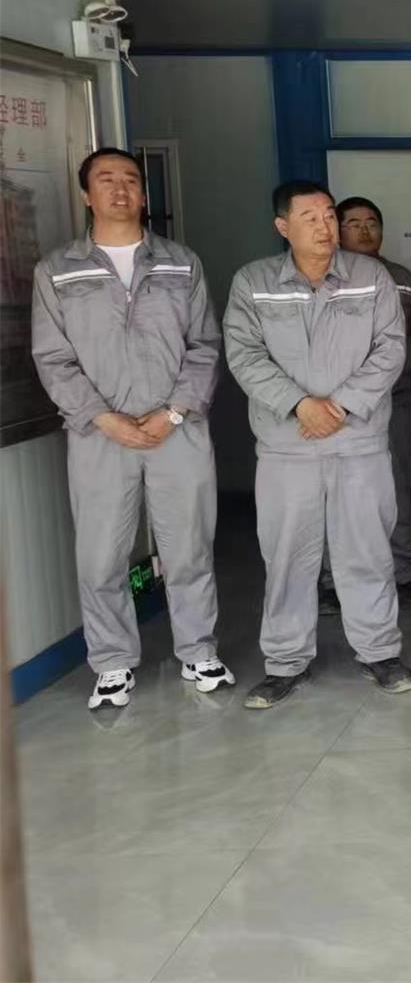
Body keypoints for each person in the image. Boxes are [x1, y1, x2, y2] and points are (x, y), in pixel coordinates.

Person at [31, 147, 233, 710]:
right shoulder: (58, 269)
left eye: (130, 180)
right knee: (101, 555)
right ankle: (112, 662)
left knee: (188, 546)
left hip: (177, 429)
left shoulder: (181, 263)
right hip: (99, 433)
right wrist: (101, 416)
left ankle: (198, 650)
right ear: (86, 194)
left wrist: (174, 411)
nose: (120, 189)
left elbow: (205, 344)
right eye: (106, 180)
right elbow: (52, 357)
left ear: (144, 193)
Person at [224, 180, 411, 709]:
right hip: (287, 446)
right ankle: (285, 662)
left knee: (367, 551)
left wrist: (342, 406)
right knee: (287, 556)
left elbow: (390, 349)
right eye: (309, 217)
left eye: (329, 215)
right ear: (282, 226)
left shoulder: (371, 278)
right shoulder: (254, 282)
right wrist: (299, 405)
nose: (325, 225)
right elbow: (244, 354)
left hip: (358, 443)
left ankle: (380, 652)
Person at [315, 196, 411, 611]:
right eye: (353, 223)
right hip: (333, 408)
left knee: (398, 486)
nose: (364, 231)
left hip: (395, 400)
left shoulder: (401, 279)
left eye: (372, 223)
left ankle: (408, 571)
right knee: (334, 493)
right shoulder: (323, 276)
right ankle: (332, 580)